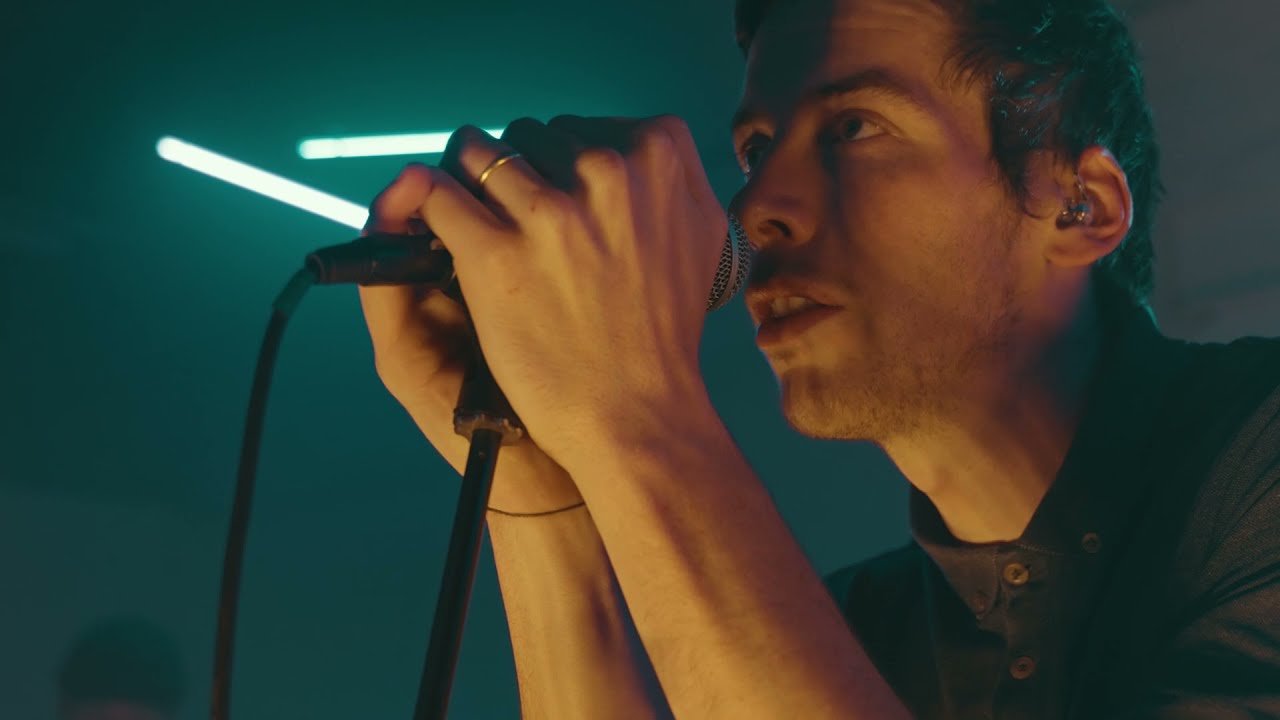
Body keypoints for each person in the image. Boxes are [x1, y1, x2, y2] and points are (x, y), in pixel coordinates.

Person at [356, 0, 1280, 717]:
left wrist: (636, 409)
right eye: (756, 149)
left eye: (854, 129)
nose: (757, 207)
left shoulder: (1256, 469)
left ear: (1081, 207)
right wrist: (535, 486)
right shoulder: (854, 636)